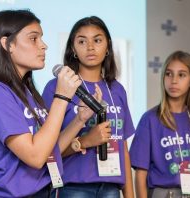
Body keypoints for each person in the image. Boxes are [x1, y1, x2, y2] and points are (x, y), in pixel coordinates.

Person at [0, 10, 100, 197]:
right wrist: (61, 98)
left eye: (42, 38)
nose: (44, 46)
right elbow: (36, 156)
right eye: (33, 39)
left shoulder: (26, 91)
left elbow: (48, 149)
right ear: (7, 44)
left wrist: (79, 120)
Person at [42, 16, 135, 198]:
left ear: (107, 46)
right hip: (73, 187)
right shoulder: (57, 86)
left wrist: (130, 196)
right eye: (82, 41)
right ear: (73, 48)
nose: (90, 47)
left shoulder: (117, 89)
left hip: (110, 188)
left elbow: (122, 147)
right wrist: (84, 141)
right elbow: (45, 150)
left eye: (97, 40)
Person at [130, 50, 190, 198]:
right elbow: (140, 175)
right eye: (169, 74)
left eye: (181, 75)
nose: (174, 80)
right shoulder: (149, 119)